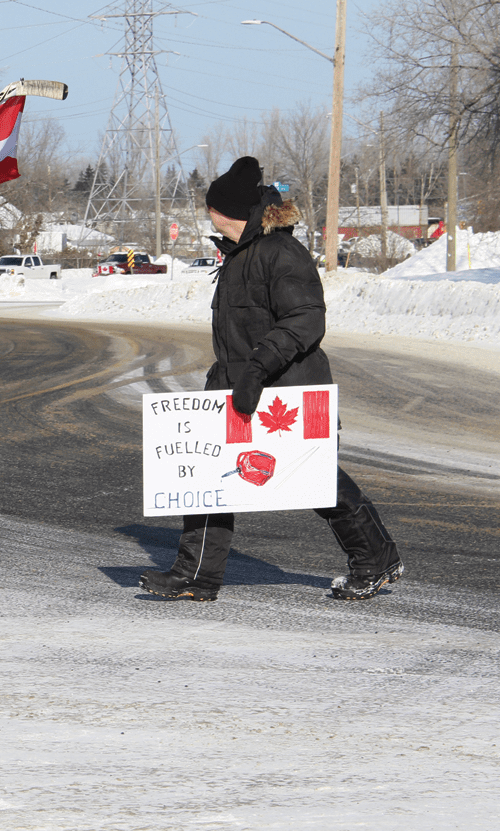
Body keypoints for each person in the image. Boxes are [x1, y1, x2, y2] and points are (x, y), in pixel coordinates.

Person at [139, 156, 404, 601]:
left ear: (222, 211)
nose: (208, 215)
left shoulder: (279, 252)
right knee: (207, 480)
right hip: (239, 389)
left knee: (318, 482)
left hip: (289, 393)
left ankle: (377, 558)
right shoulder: (240, 254)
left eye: (209, 208)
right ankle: (196, 576)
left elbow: (306, 318)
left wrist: (258, 368)